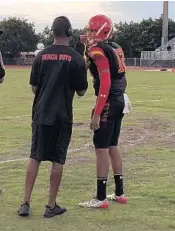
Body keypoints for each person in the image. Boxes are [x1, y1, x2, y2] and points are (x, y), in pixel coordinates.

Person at [18, 16, 88, 218]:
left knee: (35, 157)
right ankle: (50, 206)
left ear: (52, 32)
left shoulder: (41, 56)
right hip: (62, 115)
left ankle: (25, 202)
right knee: (58, 159)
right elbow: (82, 91)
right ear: (69, 33)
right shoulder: (76, 58)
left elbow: (33, 88)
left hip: (41, 113)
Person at [79, 14, 131, 209]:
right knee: (112, 145)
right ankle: (119, 192)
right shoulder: (114, 46)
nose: (89, 34)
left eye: (93, 31)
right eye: (89, 30)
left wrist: (97, 112)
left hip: (109, 100)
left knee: (101, 148)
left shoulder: (98, 51)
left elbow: (106, 82)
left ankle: (100, 197)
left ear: (103, 31)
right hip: (119, 99)